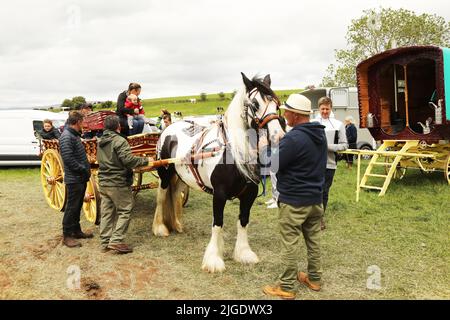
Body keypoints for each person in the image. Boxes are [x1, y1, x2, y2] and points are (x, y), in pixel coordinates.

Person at [263, 94, 327, 299]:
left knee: (289, 245)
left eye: (287, 111)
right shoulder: (319, 134)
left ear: (296, 115)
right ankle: (314, 279)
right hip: (315, 199)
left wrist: (267, 147)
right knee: (313, 241)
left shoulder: (293, 138)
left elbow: (273, 164)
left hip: (294, 202)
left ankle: (287, 287)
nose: (284, 115)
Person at [97, 115, 153, 254]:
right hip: (118, 182)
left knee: (107, 213)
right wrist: (146, 161)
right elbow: (128, 160)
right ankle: (116, 241)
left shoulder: (100, 141)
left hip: (104, 182)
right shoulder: (119, 140)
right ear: (118, 127)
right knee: (125, 210)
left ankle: (105, 242)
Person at [59, 111, 93, 248]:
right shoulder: (67, 137)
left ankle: (76, 231)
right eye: (82, 122)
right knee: (71, 208)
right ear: (78, 122)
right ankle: (67, 236)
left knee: (77, 206)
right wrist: (83, 169)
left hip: (79, 178)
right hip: (74, 179)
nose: (84, 125)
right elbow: (68, 159)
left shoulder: (73, 135)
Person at [313, 97, 348, 230]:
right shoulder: (313, 123)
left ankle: (320, 218)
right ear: (319, 109)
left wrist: (327, 146)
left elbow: (344, 145)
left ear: (331, 109)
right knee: (314, 190)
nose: (325, 111)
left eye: (327, 109)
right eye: (323, 109)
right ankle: (312, 217)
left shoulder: (338, 124)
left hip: (330, 164)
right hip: (314, 164)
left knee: (324, 191)